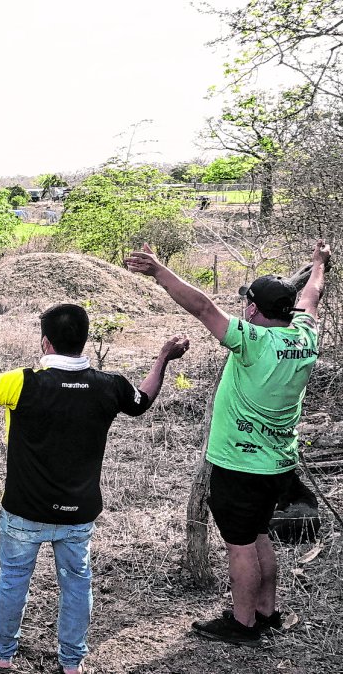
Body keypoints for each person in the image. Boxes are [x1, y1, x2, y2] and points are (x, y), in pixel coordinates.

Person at [0, 304, 188, 673]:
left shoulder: (22, 382)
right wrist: (163, 358)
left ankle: (1, 653)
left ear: (45, 342)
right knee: (77, 585)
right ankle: (72, 663)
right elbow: (143, 399)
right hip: (78, 513)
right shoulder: (110, 385)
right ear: (85, 339)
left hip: (24, 509)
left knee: (13, 581)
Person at [127, 241, 329, 646]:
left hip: (241, 465)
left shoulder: (253, 341)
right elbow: (313, 293)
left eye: (246, 303)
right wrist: (319, 263)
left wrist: (159, 271)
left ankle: (243, 624)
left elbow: (203, 308)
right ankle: (266, 612)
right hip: (278, 464)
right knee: (259, 535)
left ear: (252, 310)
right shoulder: (306, 335)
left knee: (240, 546)